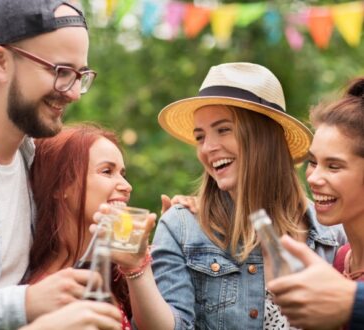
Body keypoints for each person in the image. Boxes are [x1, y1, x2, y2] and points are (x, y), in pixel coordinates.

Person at [123, 62, 346, 330]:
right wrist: (136, 270)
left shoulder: (332, 233)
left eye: (223, 130)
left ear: (264, 136)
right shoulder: (181, 227)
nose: (208, 148)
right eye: (200, 136)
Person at [0, 0, 120, 328]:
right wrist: (24, 304)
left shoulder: (38, 162)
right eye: (61, 72)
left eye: (81, 76)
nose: (75, 93)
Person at [25, 123, 157, 329]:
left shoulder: (114, 272)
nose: (127, 186)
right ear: (61, 186)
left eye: (123, 173)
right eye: (107, 171)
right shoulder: (43, 298)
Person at [268, 77, 364, 329]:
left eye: (333, 166)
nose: (313, 178)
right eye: (313, 162)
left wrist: (353, 303)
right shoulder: (342, 259)